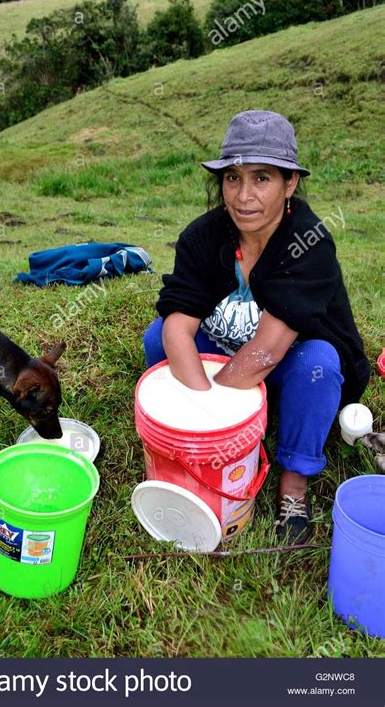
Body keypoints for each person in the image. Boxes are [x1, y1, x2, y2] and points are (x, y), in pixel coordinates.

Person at [142, 110, 370, 544]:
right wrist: (202, 408)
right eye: (233, 178)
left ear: (291, 183)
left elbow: (268, 349)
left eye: (262, 178)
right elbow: (176, 326)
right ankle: (195, 447)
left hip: (286, 363)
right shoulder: (203, 237)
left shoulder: (308, 242)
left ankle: (294, 482)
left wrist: (216, 423)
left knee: (319, 363)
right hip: (225, 355)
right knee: (158, 339)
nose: (243, 196)